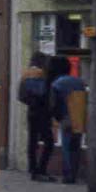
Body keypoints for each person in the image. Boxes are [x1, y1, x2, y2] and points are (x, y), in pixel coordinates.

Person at [49, 56, 87, 184]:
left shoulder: (57, 83)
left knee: (66, 147)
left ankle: (68, 175)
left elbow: (53, 103)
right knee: (76, 147)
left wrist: (56, 116)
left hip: (66, 117)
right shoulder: (79, 82)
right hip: (79, 118)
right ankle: (74, 173)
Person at [18, 51, 54, 181]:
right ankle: (41, 170)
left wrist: (30, 102)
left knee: (32, 141)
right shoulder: (40, 74)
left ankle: (33, 169)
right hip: (42, 111)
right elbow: (43, 93)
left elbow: (20, 96)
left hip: (31, 111)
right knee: (49, 142)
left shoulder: (25, 74)